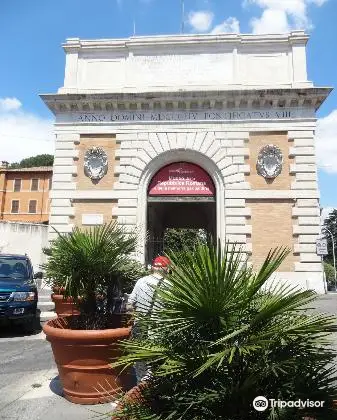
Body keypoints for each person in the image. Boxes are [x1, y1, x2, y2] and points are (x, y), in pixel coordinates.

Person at [127, 255, 170, 384]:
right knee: (157, 362)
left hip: (141, 327)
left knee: (141, 361)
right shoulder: (170, 285)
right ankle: (155, 387)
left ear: (152, 268)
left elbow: (129, 305)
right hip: (160, 330)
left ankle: (141, 387)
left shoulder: (141, 281)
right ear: (166, 269)